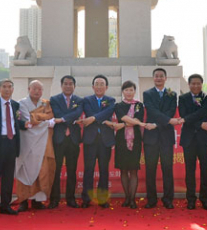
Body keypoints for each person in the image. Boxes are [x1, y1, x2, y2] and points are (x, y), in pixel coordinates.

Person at [0, 78, 25, 218]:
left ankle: (5, 206)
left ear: (13, 89)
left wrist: (28, 124)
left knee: (8, 177)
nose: (7, 89)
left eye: (10, 87)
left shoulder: (15, 105)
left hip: (11, 143)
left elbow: (17, 122)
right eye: (4, 87)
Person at [142, 67, 181, 209]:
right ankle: (151, 200)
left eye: (161, 76)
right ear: (153, 78)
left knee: (167, 169)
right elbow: (151, 111)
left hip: (166, 136)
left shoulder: (172, 94)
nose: (158, 78)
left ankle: (168, 199)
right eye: (156, 76)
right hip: (150, 138)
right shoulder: (147, 94)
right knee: (150, 169)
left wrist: (157, 124)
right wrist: (167, 121)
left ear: (165, 78)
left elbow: (170, 112)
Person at [15, 80, 56, 211]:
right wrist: (46, 121)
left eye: (40, 89)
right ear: (29, 89)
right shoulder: (22, 103)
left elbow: (49, 117)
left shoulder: (45, 103)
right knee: (25, 169)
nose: (37, 91)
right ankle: (24, 200)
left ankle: (38, 201)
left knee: (41, 170)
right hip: (27, 142)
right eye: (34, 88)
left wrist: (40, 119)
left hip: (42, 142)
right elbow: (29, 121)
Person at [77, 74, 116, 208]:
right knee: (89, 169)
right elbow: (88, 111)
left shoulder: (111, 100)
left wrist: (92, 119)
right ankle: (86, 199)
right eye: (97, 84)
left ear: (106, 87)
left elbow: (108, 112)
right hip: (90, 140)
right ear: (93, 87)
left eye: (102, 84)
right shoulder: (86, 100)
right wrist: (95, 117)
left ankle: (102, 199)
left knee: (104, 170)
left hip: (105, 140)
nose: (99, 87)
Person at [178, 73, 207, 210]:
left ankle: (205, 199)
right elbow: (183, 114)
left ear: (202, 84)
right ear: (189, 84)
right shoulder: (182, 98)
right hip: (189, 140)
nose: (196, 86)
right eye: (193, 83)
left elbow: (204, 112)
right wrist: (198, 124)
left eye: (198, 83)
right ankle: (191, 199)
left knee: (205, 170)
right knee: (189, 171)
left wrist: (188, 119)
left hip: (204, 139)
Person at [48, 75, 83, 209]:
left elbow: (77, 113)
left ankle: (71, 198)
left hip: (73, 139)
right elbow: (57, 113)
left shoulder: (79, 100)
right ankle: (54, 199)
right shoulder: (54, 99)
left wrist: (62, 119)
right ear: (61, 85)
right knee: (56, 170)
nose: (68, 86)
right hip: (59, 139)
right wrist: (67, 117)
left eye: (71, 84)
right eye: (66, 84)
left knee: (72, 170)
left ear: (74, 86)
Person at [112, 81, 148, 209]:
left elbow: (138, 119)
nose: (129, 92)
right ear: (123, 92)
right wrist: (127, 123)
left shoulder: (139, 105)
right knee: (123, 170)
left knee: (133, 170)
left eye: (131, 90)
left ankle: (132, 199)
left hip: (135, 140)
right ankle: (126, 197)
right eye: (126, 90)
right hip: (121, 140)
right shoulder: (118, 105)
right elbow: (123, 117)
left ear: (134, 91)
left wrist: (124, 124)